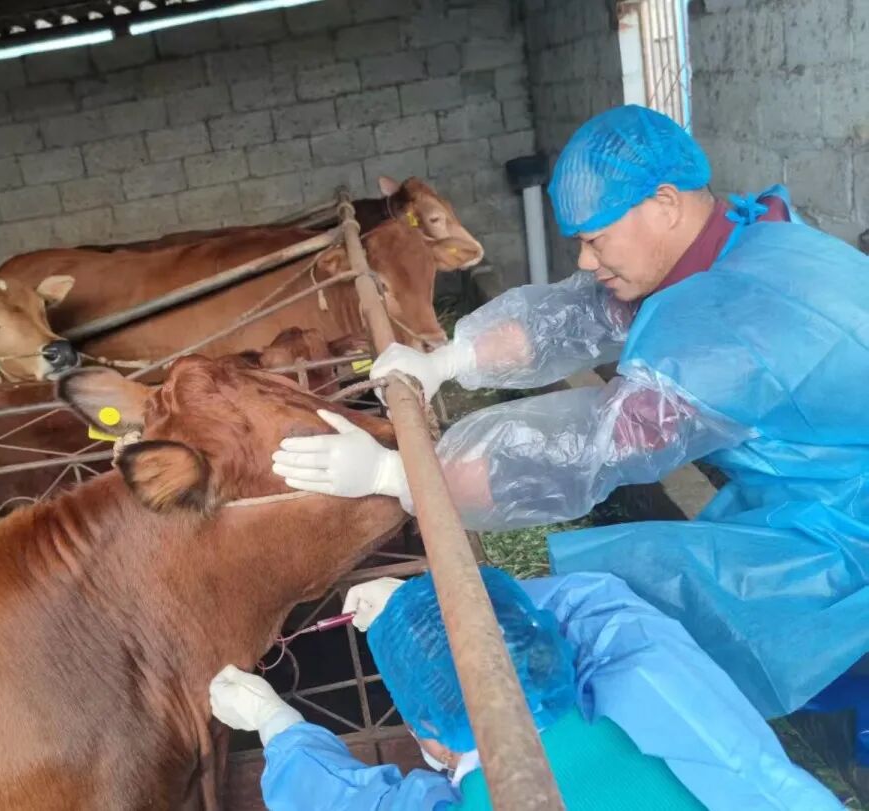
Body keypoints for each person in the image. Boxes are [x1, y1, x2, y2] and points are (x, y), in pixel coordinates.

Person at [270, 104, 869, 719]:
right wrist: (448, 359)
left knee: (645, 599)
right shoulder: (740, 236)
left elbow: (586, 450)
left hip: (848, 521)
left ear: (664, 203)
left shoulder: (733, 324)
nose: (584, 260)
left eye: (594, 239)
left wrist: (399, 476)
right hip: (811, 484)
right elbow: (577, 316)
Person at [210, 568, 838, 810]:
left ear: (428, 734)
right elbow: (598, 602)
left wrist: (275, 724)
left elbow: (342, 802)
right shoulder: (653, 679)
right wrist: (436, 604)